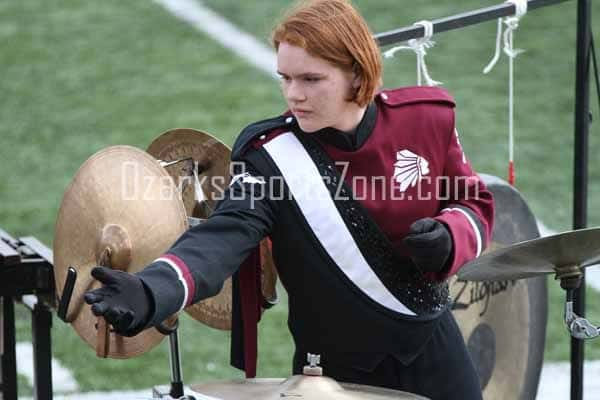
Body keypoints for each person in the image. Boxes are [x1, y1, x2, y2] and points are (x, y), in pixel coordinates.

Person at [84, 1, 494, 399]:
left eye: (311, 79)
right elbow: (222, 238)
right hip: (330, 372)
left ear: (356, 72)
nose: (293, 95)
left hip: (435, 349)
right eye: (285, 78)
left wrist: (449, 236)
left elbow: (473, 202)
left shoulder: (425, 120)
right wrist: (153, 289)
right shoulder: (270, 158)